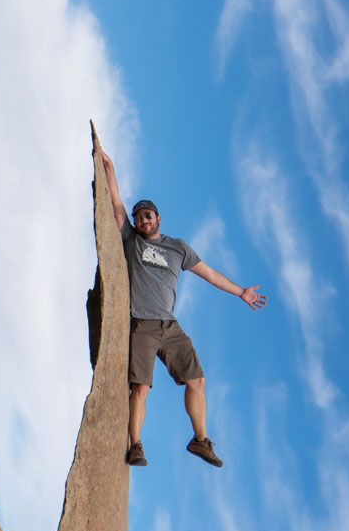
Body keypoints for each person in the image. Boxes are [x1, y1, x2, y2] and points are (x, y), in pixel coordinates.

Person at [100, 147, 266, 468]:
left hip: (170, 327)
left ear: (159, 218)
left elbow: (211, 274)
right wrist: (108, 166)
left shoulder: (178, 248)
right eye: (139, 217)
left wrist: (241, 292)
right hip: (143, 323)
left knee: (198, 381)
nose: (143, 219)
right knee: (141, 387)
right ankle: (135, 445)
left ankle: (200, 441)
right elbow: (116, 202)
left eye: (148, 215)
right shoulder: (132, 240)